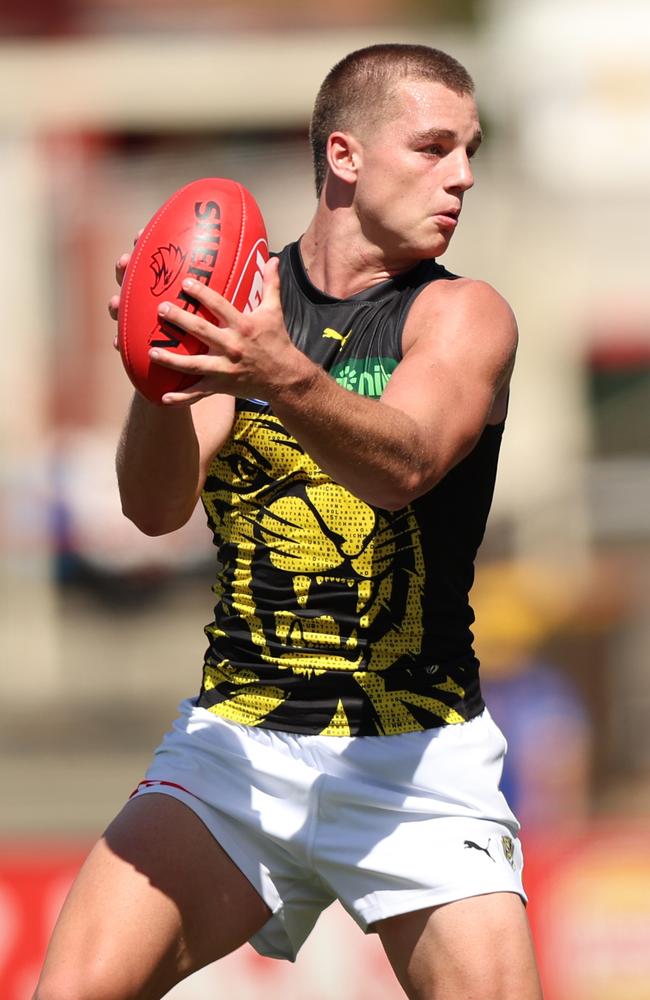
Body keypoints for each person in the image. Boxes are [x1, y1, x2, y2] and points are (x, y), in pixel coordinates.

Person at [35, 43, 543, 1000]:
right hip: (239, 745)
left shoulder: (464, 315)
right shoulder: (238, 307)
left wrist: (276, 369)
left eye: (470, 149)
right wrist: (159, 374)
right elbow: (150, 511)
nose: (462, 175)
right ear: (345, 157)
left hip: (416, 761)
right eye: (434, 147)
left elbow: (406, 464)